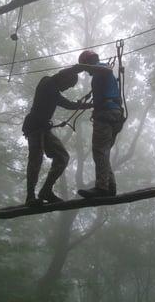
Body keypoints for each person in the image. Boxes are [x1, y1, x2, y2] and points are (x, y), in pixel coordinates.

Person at [23, 68, 92, 206]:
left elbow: (69, 105)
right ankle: (30, 197)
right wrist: (80, 67)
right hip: (35, 128)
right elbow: (67, 103)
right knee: (35, 161)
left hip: (44, 129)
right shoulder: (47, 82)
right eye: (68, 85)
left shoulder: (54, 90)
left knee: (62, 157)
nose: (66, 88)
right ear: (64, 77)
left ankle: (46, 191)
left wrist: (90, 104)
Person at [75, 50, 124, 198]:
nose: (86, 71)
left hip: (106, 115)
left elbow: (106, 68)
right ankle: (111, 187)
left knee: (99, 152)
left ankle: (102, 187)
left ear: (88, 62)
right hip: (115, 114)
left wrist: (79, 67)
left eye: (85, 67)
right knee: (103, 152)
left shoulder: (101, 69)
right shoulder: (100, 74)